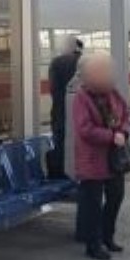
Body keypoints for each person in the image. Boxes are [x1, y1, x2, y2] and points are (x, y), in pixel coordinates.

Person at [71, 53, 130, 260]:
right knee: (92, 204)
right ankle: (93, 244)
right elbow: (84, 129)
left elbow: (125, 114)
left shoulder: (113, 93)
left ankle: (108, 236)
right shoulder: (81, 98)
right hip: (92, 160)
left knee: (116, 197)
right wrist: (111, 136)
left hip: (114, 159)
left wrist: (123, 131)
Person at [47, 36, 82, 179]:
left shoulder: (56, 62)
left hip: (60, 110)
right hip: (80, 111)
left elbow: (53, 89)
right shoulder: (84, 62)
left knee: (60, 141)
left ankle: (61, 173)